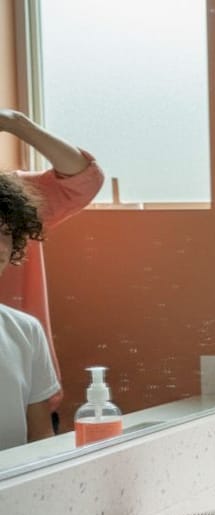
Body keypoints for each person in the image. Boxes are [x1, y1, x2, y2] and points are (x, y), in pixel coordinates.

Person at [0, 110, 104, 450]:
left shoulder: (14, 197)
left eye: (5, 234)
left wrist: (15, 122)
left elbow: (84, 179)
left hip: (27, 390)